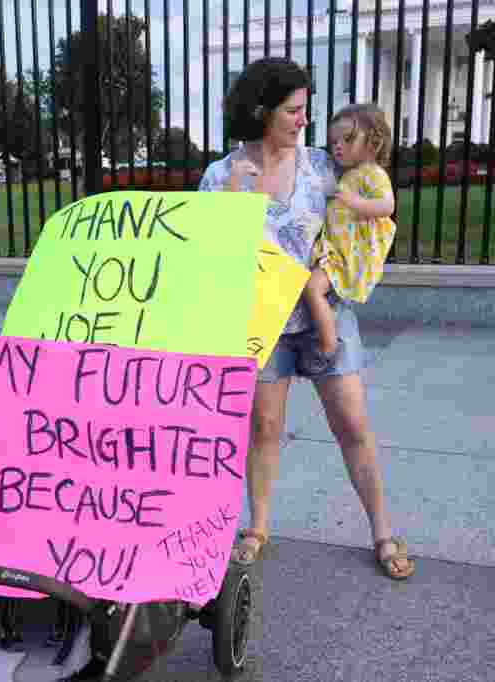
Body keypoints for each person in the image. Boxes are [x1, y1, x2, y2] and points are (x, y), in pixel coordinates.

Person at [198, 57, 415, 580]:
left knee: (353, 425)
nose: (304, 120)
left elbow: (375, 198)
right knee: (264, 430)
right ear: (261, 110)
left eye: (305, 109)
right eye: (294, 110)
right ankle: (258, 527)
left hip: (325, 314)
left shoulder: (322, 164)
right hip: (261, 324)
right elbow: (206, 253)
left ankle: (383, 531)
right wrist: (233, 200)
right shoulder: (221, 174)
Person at [301, 103, 397, 373]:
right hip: (333, 248)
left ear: (374, 141)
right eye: (334, 141)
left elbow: (387, 206)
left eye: (348, 139)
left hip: (346, 254)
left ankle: (328, 346)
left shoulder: (373, 173)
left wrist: (353, 201)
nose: (338, 146)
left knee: (312, 289)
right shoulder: (349, 172)